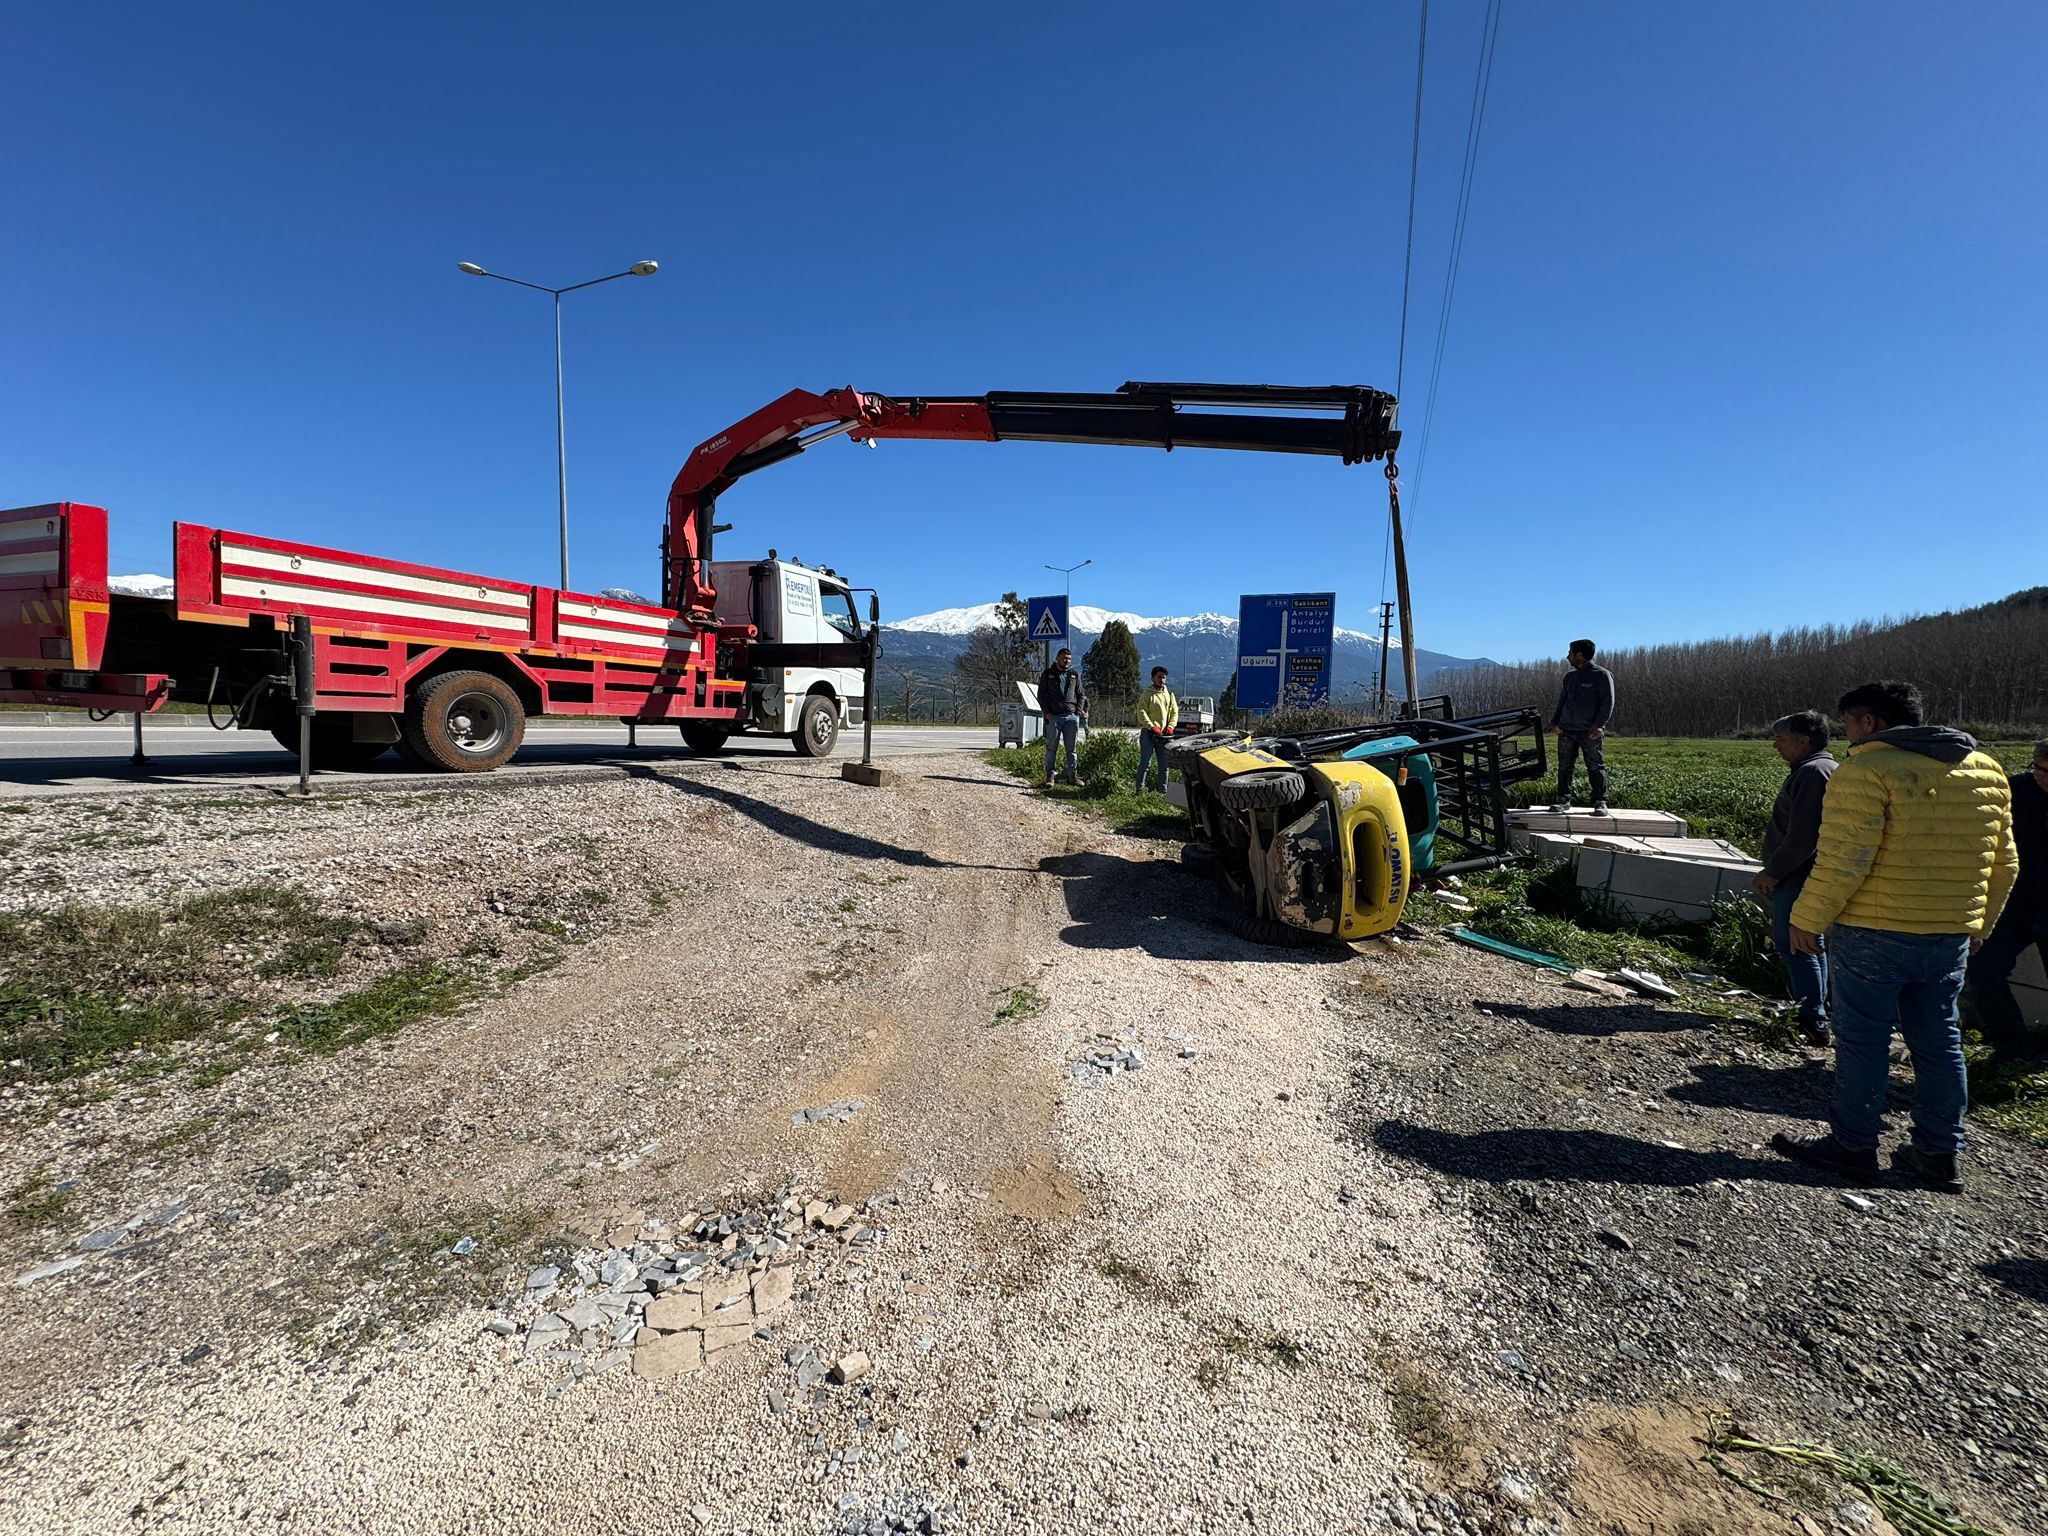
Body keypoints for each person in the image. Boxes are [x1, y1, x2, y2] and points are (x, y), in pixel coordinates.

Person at [1770, 681, 2017, 1192]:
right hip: (1948, 932)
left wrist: (1806, 918)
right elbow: (2005, 863)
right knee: (1940, 1039)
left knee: (1864, 1040)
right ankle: (1938, 1152)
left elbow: (1845, 858)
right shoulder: (1985, 769)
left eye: (1850, 724)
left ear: (1871, 722)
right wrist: (1979, 925)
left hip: (1875, 929)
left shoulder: (1866, 769)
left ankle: (1854, 1144)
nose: (1847, 736)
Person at [1752, 711, 1839, 1046]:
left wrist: (1772, 872)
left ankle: (1812, 1019)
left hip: (1797, 877)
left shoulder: (1813, 773)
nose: (1776, 745)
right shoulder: (1818, 769)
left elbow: (1802, 838)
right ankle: (1818, 1011)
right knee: (1811, 945)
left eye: (1782, 739)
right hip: (1805, 876)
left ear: (1804, 741)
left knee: (1796, 945)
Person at [1964, 738, 2048, 1064]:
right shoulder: (2014, 792)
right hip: (2015, 903)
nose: (2042, 776)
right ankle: (2011, 1043)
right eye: (2038, 769)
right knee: (1983, 967)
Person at [1547, 639, 1614, 813]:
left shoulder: (1601, 675)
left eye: (1570, 653)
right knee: (1564, 766)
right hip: (1567, 730)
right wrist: (1554, 721)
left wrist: (1600, 725)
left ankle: (1600, 802)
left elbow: (1608, 703)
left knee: (1595, 765)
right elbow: (1562, 702)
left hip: (1590, 731)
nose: (1567, 656)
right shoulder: (1569, 678)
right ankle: (1563, 800)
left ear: (1579, 655)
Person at [1037, 647, 1086, 787]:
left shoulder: (1074, 675)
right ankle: (1050, 776)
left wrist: (1078, 711)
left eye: (1069, 659)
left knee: (1072, 748)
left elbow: (1081, 694)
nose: (1067, 661)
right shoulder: (1048, 674)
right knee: (1052, 748)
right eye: (1064, 658)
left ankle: (1073, 776)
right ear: (1058, 658)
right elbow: (1041, 695)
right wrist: (1046, 712)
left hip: (1071, 717)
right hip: (1054, 717)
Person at [1135, 666, 1179, 793]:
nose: (1161, 679)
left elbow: (1174, 712)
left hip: (1164, 735)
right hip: (1148, 734)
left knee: (1164, 765)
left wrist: (1170, 726)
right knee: (1145, 763)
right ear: (1153, 678)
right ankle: (1140, 789)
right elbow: (1141, 712)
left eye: (1163, 677)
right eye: (1159, 677)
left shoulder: (1169, 695)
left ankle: (1163, 791)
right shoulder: (1147, 694)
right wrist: (1151, 726)